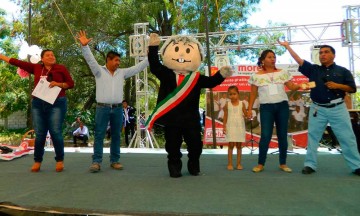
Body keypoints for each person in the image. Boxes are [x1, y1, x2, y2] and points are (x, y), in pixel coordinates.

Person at [147, 33, 232, 178]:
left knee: (195, 146)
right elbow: (154, 66)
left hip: (191, 120)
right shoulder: (166, 74)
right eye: (176, 50)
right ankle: (174, 167)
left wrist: (221, 75)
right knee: (172, 145)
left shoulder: (196, 78)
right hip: (172, 120)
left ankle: (194, 165)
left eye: (187, 51)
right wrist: (153, 48)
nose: (181, 54)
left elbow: (211, 82)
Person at [279, 41, 360, 176]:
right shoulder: (313, 70)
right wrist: (287, 47)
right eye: (321, 53)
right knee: (313, 137)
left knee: (347, 137)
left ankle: (356, 166)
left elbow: (352, 88)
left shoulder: (343, 71)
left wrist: (338, 86)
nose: (322, 55)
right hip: (318, 109)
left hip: (338, 108)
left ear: (333, 55)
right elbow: (298, 60)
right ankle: (309, 165)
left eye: (326, 52)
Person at [77, 30, 149, 173]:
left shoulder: (122, 73)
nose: (118, 63)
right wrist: (85, 47)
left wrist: (149, 56)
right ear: (108, 60)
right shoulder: (98, 71)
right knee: (99, 135)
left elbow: (138, 68)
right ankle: (96, 162)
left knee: (116, 134)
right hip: (102, 108)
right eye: (116, 60)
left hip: (117, 109)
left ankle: (114, 161)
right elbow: (91, 61)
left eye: (119, 61)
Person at [0, 50, 74, 172]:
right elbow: (18, 62)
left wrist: (59, 84)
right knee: (40, 134)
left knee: (55, 131)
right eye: (48, 55)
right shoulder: (36, 68)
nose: (51, 56)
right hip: (38, 104)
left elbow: (71, 84)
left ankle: (60, 160)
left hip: (57, 103)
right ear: (42, 59)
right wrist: (2, 56)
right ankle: (37, 161)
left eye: (53, 55)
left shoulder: (61, 68)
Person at [247, 49, 304, 173]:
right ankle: (261, 163)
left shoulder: (282, 73)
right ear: (263, 60)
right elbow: (252, 94)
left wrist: (300, 86)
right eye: (269, 57)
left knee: (282, 135)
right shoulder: (256, 76)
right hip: (266, 107)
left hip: (282, 106)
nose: (273, 59)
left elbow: (291, 87)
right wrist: (249, 109)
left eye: (274, 57)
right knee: (266, 135)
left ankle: (283, 163)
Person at [223, 86, 246, 171]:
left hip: (240, 127)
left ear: (238, 94)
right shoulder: (227, 104)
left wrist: (248, 114)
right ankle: (229, 163)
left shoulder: (242, 104)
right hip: (230, 126)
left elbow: (246, 114)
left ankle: (239, 163)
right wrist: (224, 126)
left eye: (234, 94)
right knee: (231, 145)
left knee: (239, 146)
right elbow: (225, 116)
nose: (232, 96)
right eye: (230, 94)